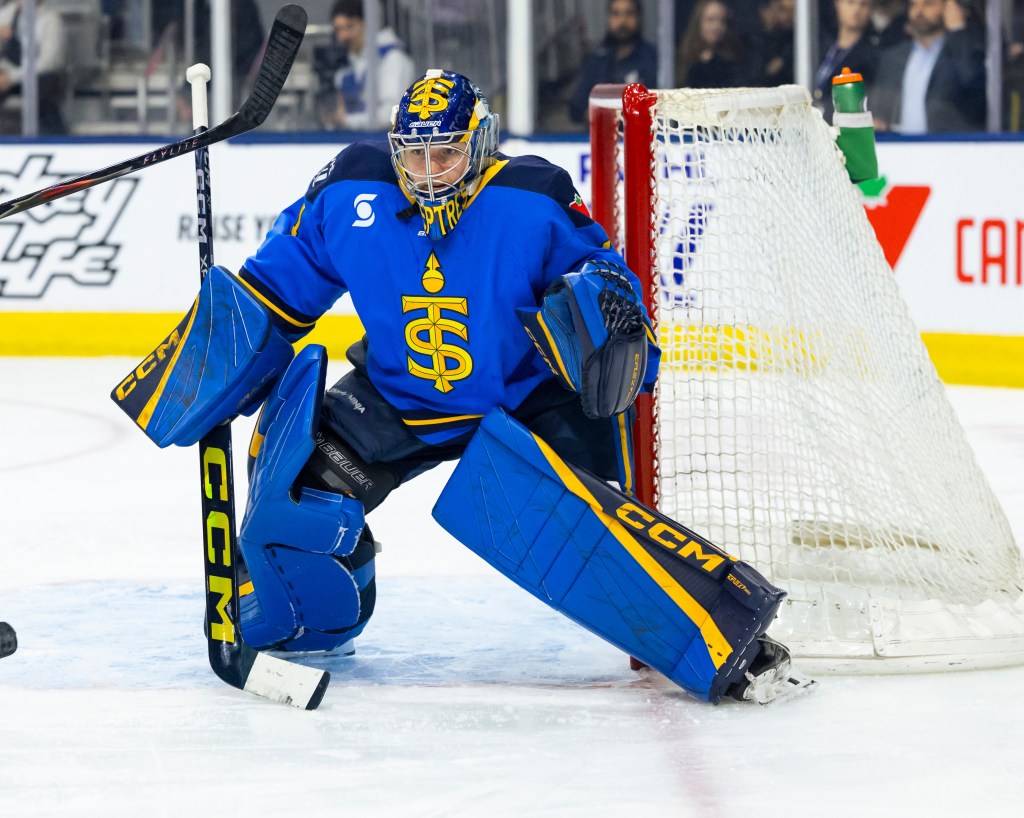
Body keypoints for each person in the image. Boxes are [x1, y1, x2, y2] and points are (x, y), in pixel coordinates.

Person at [112, 69, 803, 705]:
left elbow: (609, 285)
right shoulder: (349, 191)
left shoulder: (531, 197)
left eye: (445, 153)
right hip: (398, 399)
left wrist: (604, 307)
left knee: (590, 541)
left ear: (480, 141)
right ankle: (308, 620)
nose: (428, 172)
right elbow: (273, 290)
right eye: (413, 155)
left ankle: (729, 644)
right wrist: (208, 363)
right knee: (292, 496)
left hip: (526, 401)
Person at [869, 0, 985, 132]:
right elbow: (879, 107)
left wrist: (958, 31)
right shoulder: (893, 57)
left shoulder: (960, 51)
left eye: (928, 4)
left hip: (947, 143)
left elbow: (973, 84)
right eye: (914, 5)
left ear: (948, 8)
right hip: (899, 143)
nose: (919, 11)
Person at [319, 0, 415, 131]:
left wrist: (345, 121)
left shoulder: (393, 60)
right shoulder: (348, 66)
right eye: (338, 29)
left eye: (349, 27)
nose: (343, 36)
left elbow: (392, 114)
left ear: (369, 24)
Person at [567, 0, 657, 124]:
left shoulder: (652, 57)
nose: (622, 21)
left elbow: (663, 106)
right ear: (608, 18)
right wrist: (592, 114)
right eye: (616, 14)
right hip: (602, 133)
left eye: (629, 13)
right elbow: (575, 108)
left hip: (642, 134)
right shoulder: (596, 60)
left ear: (639, 17)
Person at [0, 0, 67, 134]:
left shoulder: (51, 19)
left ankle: (53, 136)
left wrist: (12, 77)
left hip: (41, 76)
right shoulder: (6, 14)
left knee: (46, 89)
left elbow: (48, 62)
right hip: (9, 71)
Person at [813, 0, 880, 121]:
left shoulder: (872, 55)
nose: (856, 10)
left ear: (871, 10)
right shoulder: (820, 47)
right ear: (837, 4)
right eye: (850, 2)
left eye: (863, 4)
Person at [675, 0, 748, 88]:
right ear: (698, 22)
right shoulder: (682, 58)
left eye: (722, 21)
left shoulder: (733, 60)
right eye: (711, 20)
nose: (716, 26)